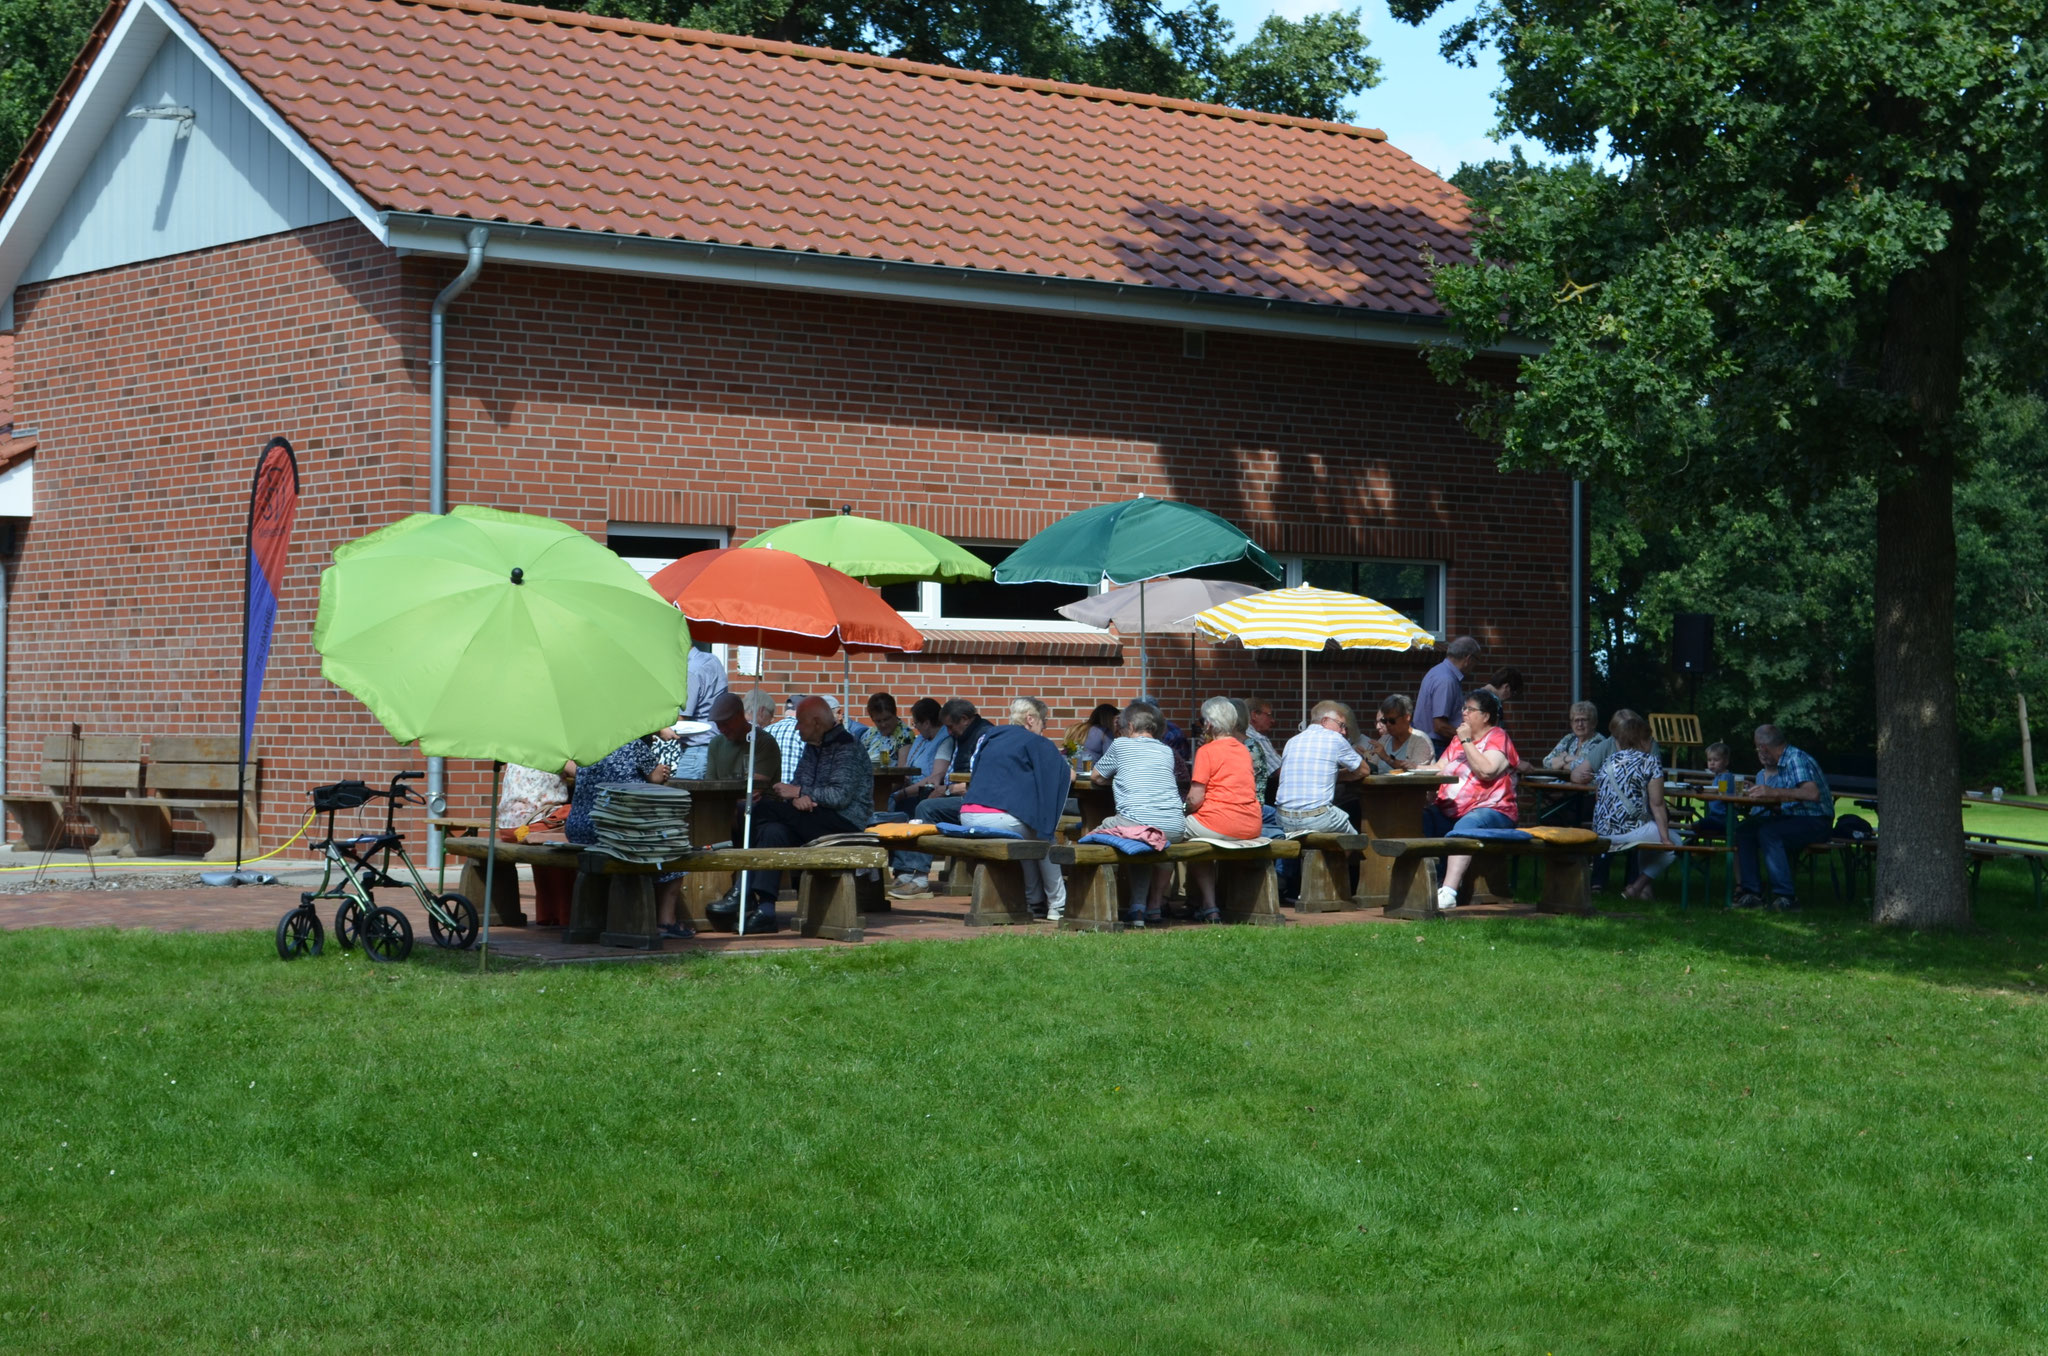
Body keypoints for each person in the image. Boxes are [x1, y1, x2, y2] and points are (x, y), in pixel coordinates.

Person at [742, 697, 876, 932]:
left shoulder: (847, 747)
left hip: (844, 823)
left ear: (816, 722)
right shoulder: (813, 746)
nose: (796, 728)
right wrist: (797, 797)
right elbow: (798, 784)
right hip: (813, 817)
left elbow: (840, 796)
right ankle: (766, 909)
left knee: (758, 809)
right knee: (773, 831)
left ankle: (740, 892)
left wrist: (800, 792)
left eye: (800, 722)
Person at [564, 730, 691, 939]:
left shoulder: (584, 744)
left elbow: (573, 769)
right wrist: (662, 771)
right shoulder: (633, 743)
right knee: (676, 850)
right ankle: (666, 922)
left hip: (579, 828)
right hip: (615, 829)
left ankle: (597, 918)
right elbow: (656, 777)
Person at [958, 723, 1072, 921]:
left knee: (1028, 837)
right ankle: (1058, 904)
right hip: (998, 817)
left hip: (967, 814)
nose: (1044, 727)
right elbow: (1061, 773)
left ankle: (1034, 901)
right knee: (1045, 838)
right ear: (1031, 719)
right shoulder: (1034, 741)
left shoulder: (990, 739)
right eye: (1043, 721)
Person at [1423, 688, 1520, 911]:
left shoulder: (1498, 737)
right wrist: (1408, 768)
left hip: (1493, 810)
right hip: (1451, 809)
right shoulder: (1457, 741)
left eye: (1470, 709)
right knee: (1423, 818)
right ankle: (1431, 883)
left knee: (1466, 826)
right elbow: (1439, 768)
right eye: (1463, 708)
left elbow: (1487, 770)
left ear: (1485, 716)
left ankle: (1449, 892)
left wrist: (1466, 741)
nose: (1463, 713)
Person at [1091, 703, 1187, 926]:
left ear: (1131, 726)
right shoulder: (1166, 750)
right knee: (1141, 841)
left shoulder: (1121, 744)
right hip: (1174, 827)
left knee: (1092, 835)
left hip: (1140, 822)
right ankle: (1139, 910)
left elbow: (1096, 776)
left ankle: (1097, 905)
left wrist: (1116, 780)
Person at [1733, 724, 1833, 911]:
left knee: (1769, 832)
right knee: (1745, 830)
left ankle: (1786, 897)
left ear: (1763, 747)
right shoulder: (1784, 761)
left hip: (1816, 821)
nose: (1759, 753)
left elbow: (1812, 794)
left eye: (1758, 749)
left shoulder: (1796, 759)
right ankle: (1752, 893)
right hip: (1793, 818)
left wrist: (1774, 792)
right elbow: (1790, 797)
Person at [1183, 697, 1265, 924]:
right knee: (1199, 841)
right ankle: (1207, 905)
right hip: (1251, 825)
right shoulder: (1244, 750)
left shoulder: (1207, 751)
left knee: (1176, 832)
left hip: (1217, 823)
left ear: (1209, 724)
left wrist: (1183, 809)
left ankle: (1204, 904)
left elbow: (1195, 798)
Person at [1592, 709, 1676, 900]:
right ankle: (1637, 887)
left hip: (1601, 832)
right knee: (1674, 844)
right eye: (1649, 739)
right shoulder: (1650, 762)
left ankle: (1642, 890)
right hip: (1629, 832)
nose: (1651, 744)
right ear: (1641, 740)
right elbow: (1657, 804)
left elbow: (1598, 797)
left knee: (1651, 838)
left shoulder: (1608, 761)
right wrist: (1665, 839)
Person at [1273, 700, 1367, 836]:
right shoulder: (1335, 738)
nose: (1343, 731)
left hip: (1283, 819)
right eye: (1341, 725)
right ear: (1325, 721)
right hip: (1318, 818)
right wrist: (1341, 775)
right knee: (1355, 840)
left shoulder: (1292, 741)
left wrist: (1334, 775)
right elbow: (1364, 770)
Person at [1415, 636, 1483, 754]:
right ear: (1468, 659)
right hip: (1436, 745)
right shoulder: (1447, 680)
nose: (1474, 667)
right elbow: (1440, 726)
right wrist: (1470, 739)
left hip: (1426, 743)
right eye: (1476, 661)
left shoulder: (1437, 671)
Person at [673, 641, 730, 779]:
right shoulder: (712, 660)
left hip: (696, 750)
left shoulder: (691, 671)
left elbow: (681, 719)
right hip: (716, 745)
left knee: (684, 792)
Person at [704, 691, 780, 790]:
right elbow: (710, 785)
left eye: (726, 723)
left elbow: (756, 788)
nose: (722, 729)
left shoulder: (764, 742)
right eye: (718, 724)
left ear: (740, 715)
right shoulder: (716, 743)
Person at [495, 761, 573, 836]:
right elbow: (577, 771)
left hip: (506, 829)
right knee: (578, 812)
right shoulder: (559, 754)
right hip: (534, 826)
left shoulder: (516, 755)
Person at [1544, 701, 1615, 777]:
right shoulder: (1569, 739)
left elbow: (1583, 768)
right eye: (1576, 720)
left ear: (1593, 723)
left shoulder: (1599, 742)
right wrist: (1567, 758)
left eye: (1584, 720)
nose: (1580, 724)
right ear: (1571, 724)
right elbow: (1546, 762)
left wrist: (1560, 762)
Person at [1366, 694, 1434, 772]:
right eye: (1385, 720)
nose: (1388, 724)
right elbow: (1372, 767)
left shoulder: (1421, 740)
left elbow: (1415, 772)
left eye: (1392, 720)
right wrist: (1365, 756)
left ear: (1407, 717)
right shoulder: (1385, 739)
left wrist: (1387, 758)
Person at [1686, 741, 1739, 841]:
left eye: (1716, 760)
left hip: (1723, 818)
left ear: (1726, 762)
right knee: (1697, 826)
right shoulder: (1718, 776)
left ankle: (1722, 834)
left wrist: (1707, 792)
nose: (1712, 763)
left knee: (1696, 826)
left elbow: (1722, 793)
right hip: (1715, 816)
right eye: (1709, 760)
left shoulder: (1725, 777)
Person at [857, 692, 914, 767]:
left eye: (886, 719)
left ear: (894, 714)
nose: (883, 724)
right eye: (878, 721)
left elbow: (902, 770)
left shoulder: (904, 735)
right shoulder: (871, 734)